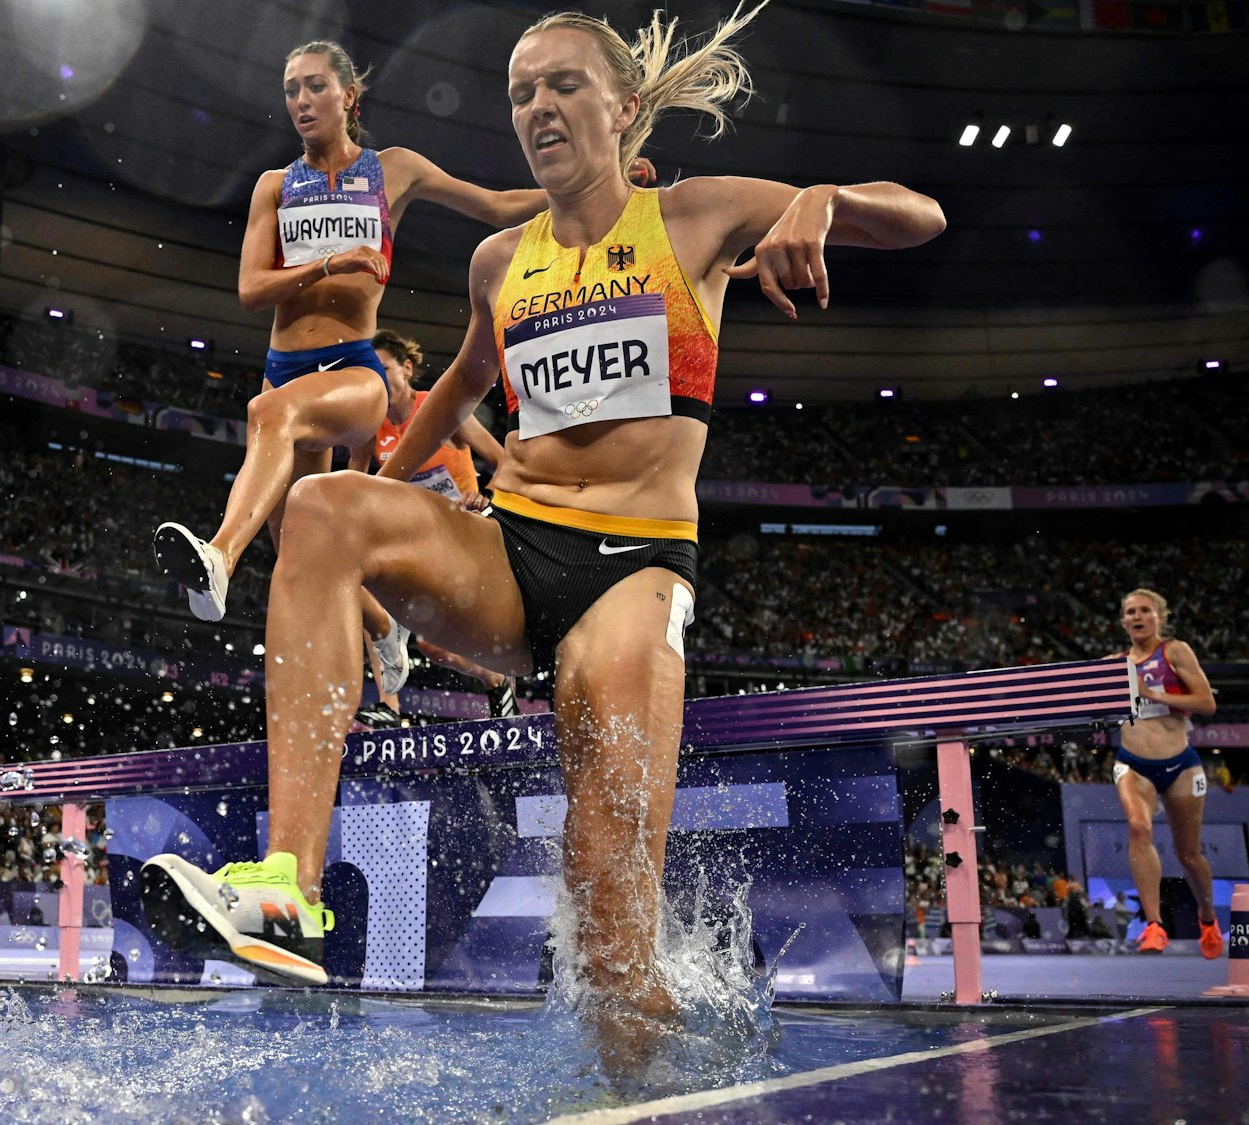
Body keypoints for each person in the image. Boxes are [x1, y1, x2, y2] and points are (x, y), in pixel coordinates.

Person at [141, 2, 944, 1066]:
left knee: (609, 922)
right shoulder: (497, 262)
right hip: (510, 552)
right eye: (520, 92)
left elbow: (919, 216)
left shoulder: (696, 217)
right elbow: (460, 385)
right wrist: (371, 517)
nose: (536, 106)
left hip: (633, 568)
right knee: (318, 510)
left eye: (560, 83)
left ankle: (641, 1072)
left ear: (621, 106)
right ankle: (283, 887)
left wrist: (815, 199)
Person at [152, 39, 549, 632]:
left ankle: (220, 556)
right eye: (291, 89)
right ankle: (385, 634)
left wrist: (601, 184)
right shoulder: (274, 186)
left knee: (266, 413)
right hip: (285, 365)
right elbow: (252, 289)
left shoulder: (394, 170)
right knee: (300, 548)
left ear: (349, 94)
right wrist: (328, 263)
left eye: (315, 85)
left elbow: (494, 206)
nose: (302, 100)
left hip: (352, 369)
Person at [361, 329, 519, 722]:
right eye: (370, 372)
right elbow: (354, 487)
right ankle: (389, 708)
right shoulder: (370, 425)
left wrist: (485, 496)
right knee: (369, 600)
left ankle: (495, 680)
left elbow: (503, 462)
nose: (377, 379)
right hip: (416, 542)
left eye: (383, 369)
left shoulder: (439, 408)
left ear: (407, 369)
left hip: (464, 532)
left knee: (434, 647)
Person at [1109, 587, 1222, 958]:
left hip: (1181, 764)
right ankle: (1154, 925)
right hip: (1132, 762)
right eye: (1130, 612)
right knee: (1139, 828)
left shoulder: (1175, 651)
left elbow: (1206, 703)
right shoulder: (1115, 663)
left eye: (1145, 610)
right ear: (1123, 620)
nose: (1137, 617)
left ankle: (1207, 916)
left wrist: (1152, 694)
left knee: (1188, 852)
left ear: (1160, 616)